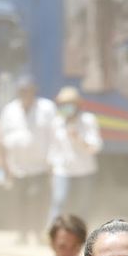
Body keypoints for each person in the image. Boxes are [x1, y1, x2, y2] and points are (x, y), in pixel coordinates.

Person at [0, 78, 57, 241]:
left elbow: (55, 136)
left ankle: (37, 232)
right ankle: (22, 233)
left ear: (34, 91)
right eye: (22, 91)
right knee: (19, 202)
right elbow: (1, 138)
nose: (26, 94)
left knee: (37, 200)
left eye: (28, 91)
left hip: (40, 166)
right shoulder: (9, 110)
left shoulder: (46, 108)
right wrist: (4, 165)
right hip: (17, 167)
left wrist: (53, 161)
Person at [49, 87, 101, 219]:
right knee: (59, 200)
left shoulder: (88, 120)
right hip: (62, 170)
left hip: (84, 170)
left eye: (69, 103)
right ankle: (53, 227)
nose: (66, 107)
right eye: (63, 104)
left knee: (83, 205)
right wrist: (51, 167)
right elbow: (53, 147)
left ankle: (81, 229)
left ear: (77, 105)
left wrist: (78, 138)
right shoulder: (57, 122)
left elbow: (95, 147)